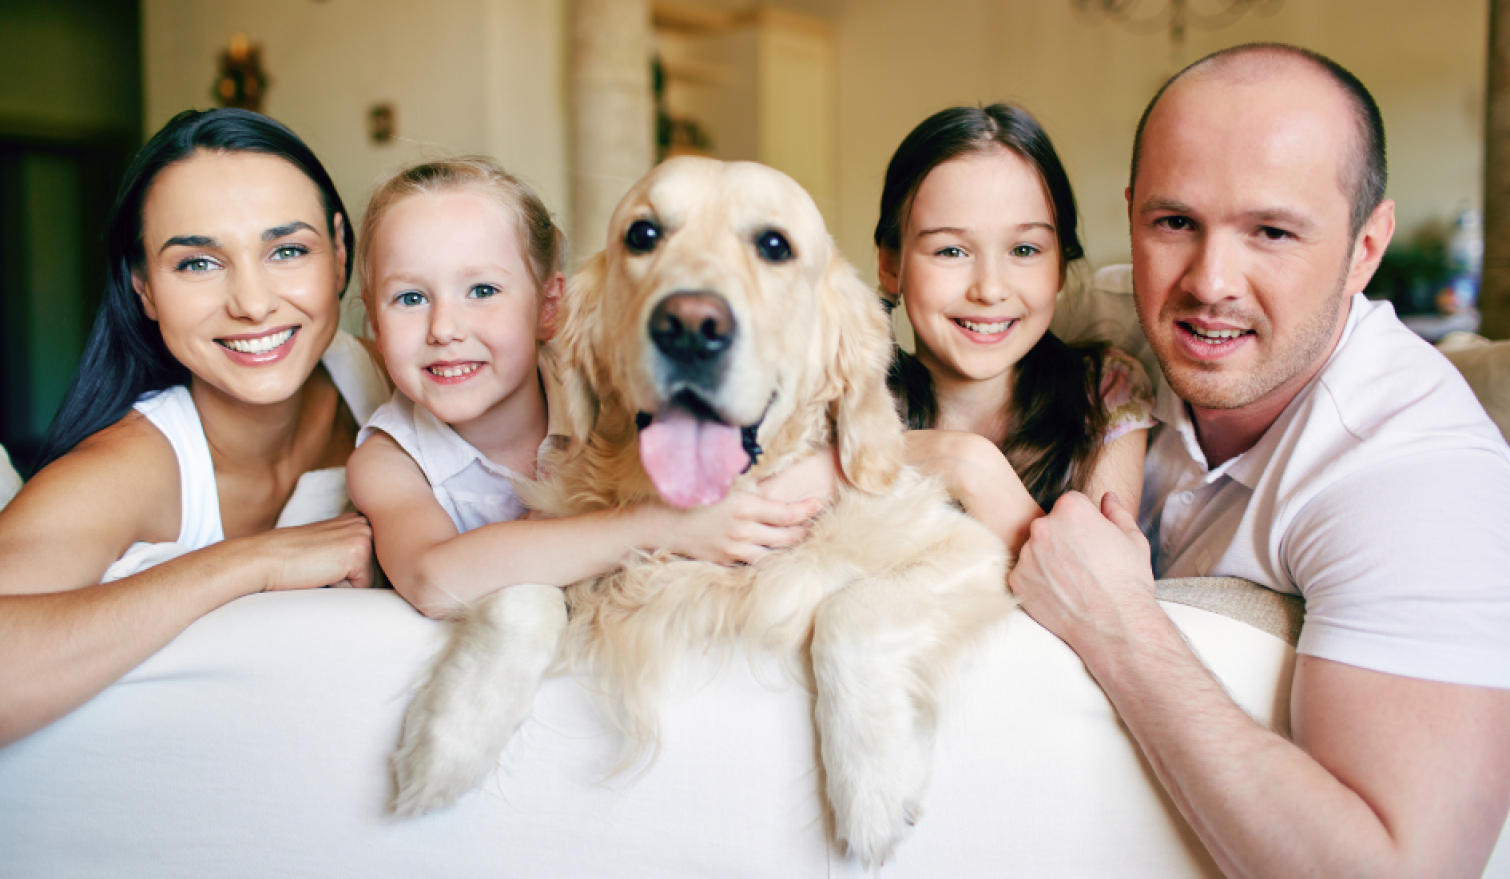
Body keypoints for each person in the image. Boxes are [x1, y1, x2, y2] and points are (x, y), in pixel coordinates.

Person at [1010, 43, 1510, 876]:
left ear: (1366, 247)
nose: (1210, 282)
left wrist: (1119, 625)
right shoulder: (1087, 318)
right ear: (1132, 212)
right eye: (1175, 223)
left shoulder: (1419, 471)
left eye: (1271, 231)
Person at [0, 109, 388, 747]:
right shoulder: (127, 467)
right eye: (198, 264)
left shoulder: (390, 387)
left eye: (287, 250)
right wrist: (251, 563)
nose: (254, 303)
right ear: (143, 286)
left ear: (340, 254)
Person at [345, 158, 830, 621]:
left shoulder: (602, 395)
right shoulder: (389, 457)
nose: (444, 328)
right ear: (373, 317)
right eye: (410, 298)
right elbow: (433, 579)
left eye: (482, 291)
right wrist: (665, 526)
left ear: (550, 306)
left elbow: (779, 480)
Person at [874, 104, 1154, 554]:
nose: (990, 289)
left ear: (1060, 264)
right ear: (892, 265)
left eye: (1024, 249)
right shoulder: (846, 400)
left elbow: (1097, 582)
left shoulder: (1105, 392)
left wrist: (971, 468)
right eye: (950, 251)